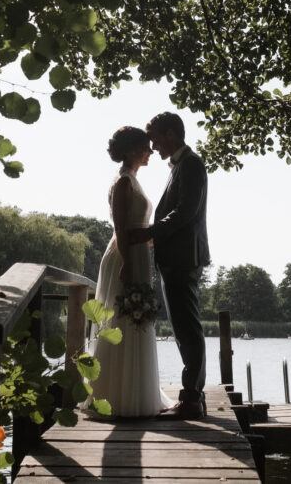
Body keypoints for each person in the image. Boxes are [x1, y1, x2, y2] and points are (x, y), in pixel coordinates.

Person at [83, 126, 174, 417]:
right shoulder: (123, 182)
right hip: (125, 256)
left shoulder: (133, 180)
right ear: (132, 150)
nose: (150, 152)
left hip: (138, 253)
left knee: (136, 320)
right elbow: (120, 227)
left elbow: (137, 227)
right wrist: (126, 263)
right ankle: (113, 395)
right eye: (146, 147)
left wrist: (153, 239)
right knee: (122, 318)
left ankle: (135, 392)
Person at [129, 112, 210, 420]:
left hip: (183, 256)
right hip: (176, 255)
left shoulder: (191, 164)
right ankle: (192, 396)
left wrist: (151, 232)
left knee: (188, 328)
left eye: (156, 139)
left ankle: (191, 399)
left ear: (172, 134)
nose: (153, 146)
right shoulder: (181, 165)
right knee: (183, 328)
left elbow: (186, 211)